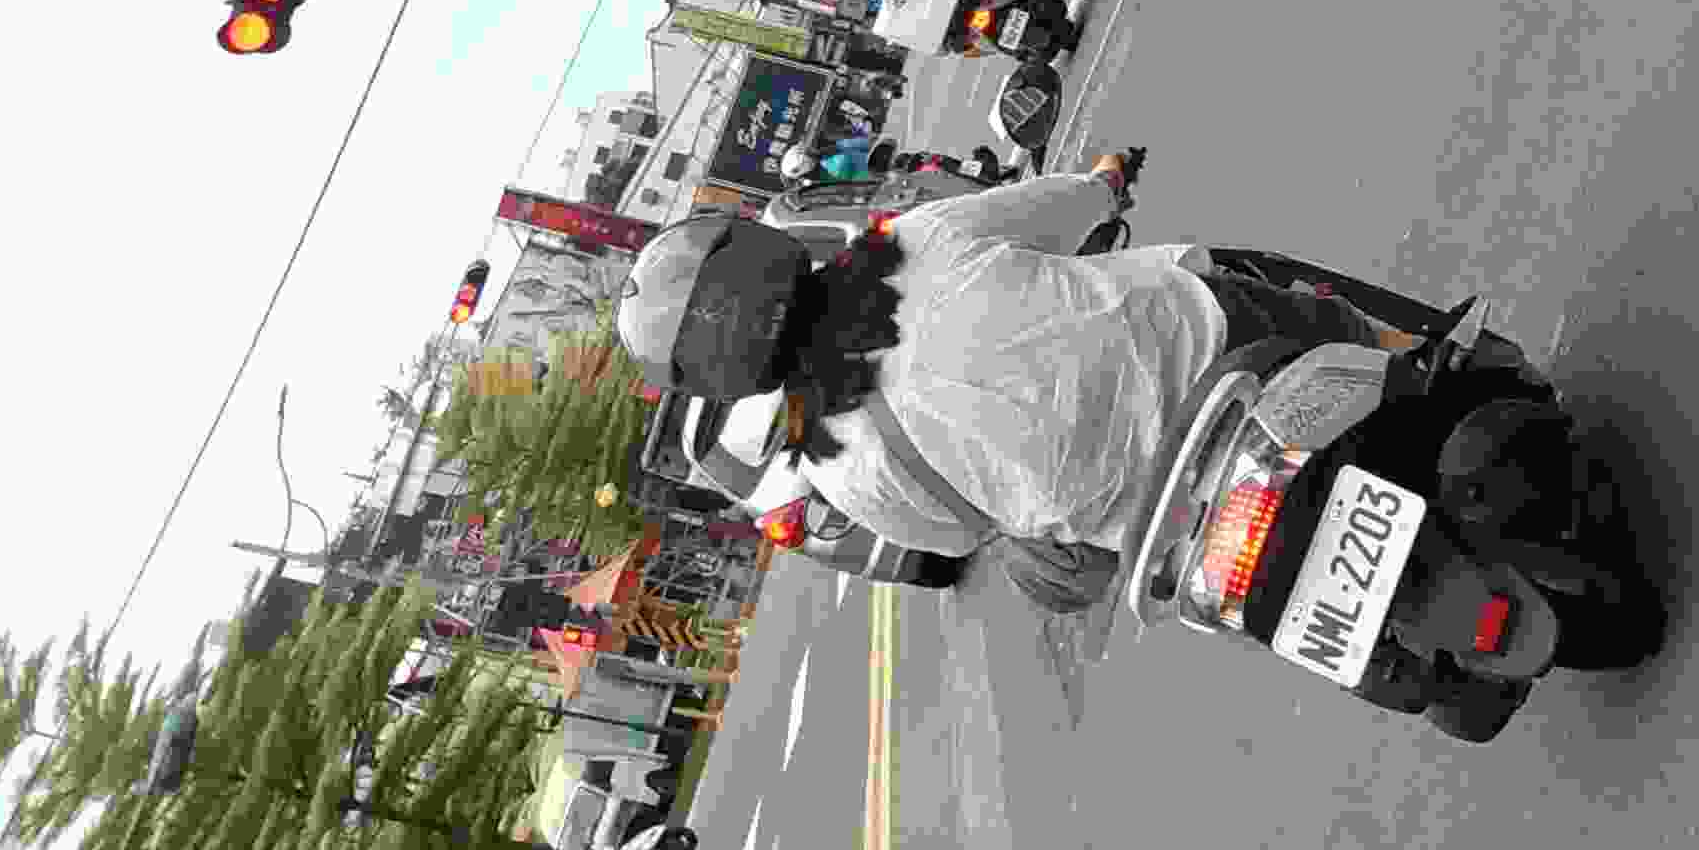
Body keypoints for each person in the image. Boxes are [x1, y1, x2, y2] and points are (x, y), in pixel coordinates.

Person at [612, 152, 1434, 593]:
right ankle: (1425, 355)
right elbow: (1070, 204)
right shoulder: (916, 240)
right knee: (1339, 326)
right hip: (1220, 348)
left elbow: (962, 536)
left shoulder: (839, 470)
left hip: (1168, 526)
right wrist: (1106, 182)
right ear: (759, 251)